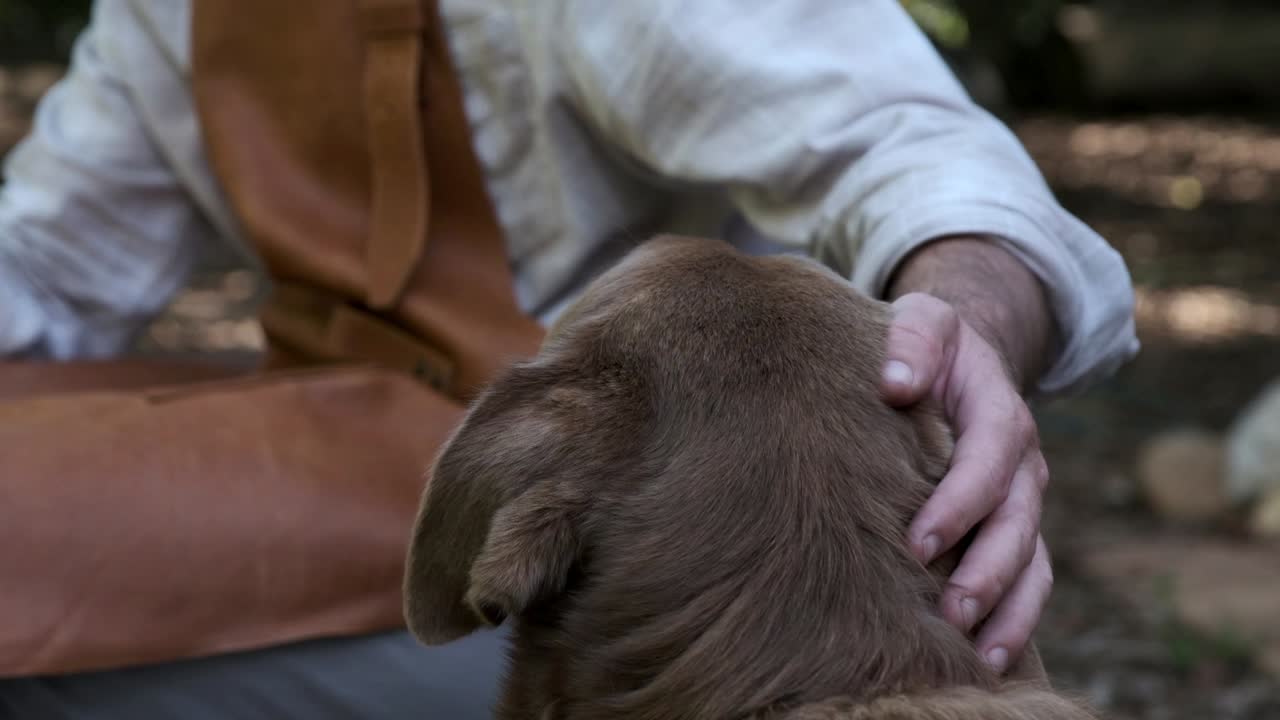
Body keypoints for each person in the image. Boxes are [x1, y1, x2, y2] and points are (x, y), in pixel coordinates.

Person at [0, 0, 1138, 717]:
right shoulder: (168, 18)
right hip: (339, 470)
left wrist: (969, 328)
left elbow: (920, 157)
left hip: (614, 571)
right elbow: (44, 270)